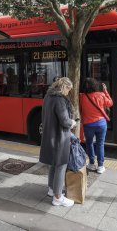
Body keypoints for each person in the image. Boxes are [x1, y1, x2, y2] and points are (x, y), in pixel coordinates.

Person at [39, 77, 76, 207]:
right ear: (63, 87)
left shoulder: (48, 96)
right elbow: (65, 121)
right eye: (68, 89)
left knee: (53, 165)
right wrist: (72, 123)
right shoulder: (60, 100)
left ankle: (51, 189)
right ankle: (58, 197)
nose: (68, 92)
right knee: (61, 165)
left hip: (50, 135)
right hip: (59, 137)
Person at [79, 78, 113, 174]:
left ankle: (92, 163)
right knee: (100, 144)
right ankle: (101, 166)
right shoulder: (101, 95)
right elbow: (110, 103)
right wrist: (105, 91)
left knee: (89, 143)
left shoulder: (81, 97)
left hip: (88, 125)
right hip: (101, 124)